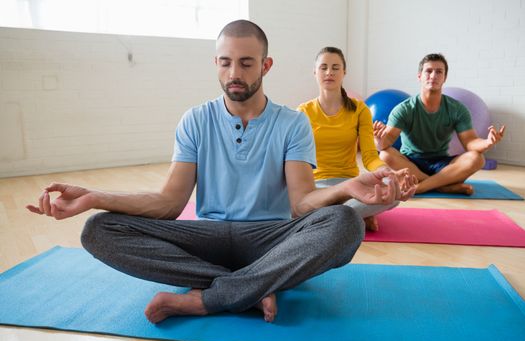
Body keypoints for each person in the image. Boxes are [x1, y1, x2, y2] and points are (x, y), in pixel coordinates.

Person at [26, 20, 416, 324]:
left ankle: (208, 296)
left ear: (265, 65)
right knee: (99, 229)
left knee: (345, 223)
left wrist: (347, 187)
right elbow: (169, 203)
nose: (235, 72)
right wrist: (95, 197)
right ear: (216, 63)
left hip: (271, 237)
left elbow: (301, 204)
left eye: (246, 63)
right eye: (226, 62)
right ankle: (251, 287)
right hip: (207, 236)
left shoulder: (292, 124)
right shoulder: (195, 120)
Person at [298, 47, 412, 231]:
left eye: (335, 67)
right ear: (315, 72)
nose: (329, 72)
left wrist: (388, 173)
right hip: (315, 185)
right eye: (323, 67)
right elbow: (297, 160)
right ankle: (355, 215)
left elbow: (369, 156)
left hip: (350, 184)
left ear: (344, 72)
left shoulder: (360, 110)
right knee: (297, 204)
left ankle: (336, 216)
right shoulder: (303, 112)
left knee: (392, 191)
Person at [373, 53, 505, 194]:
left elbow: (470, 142)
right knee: (385, 155)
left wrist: (487, 143)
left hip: (442, 164)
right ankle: (442, 185)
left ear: (444, 78)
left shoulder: (457, 109)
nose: (433, 75)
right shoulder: (404, 109)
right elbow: (385, 144)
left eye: (439, 72)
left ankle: (420, 187)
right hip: (411, 163)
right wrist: (378, 140)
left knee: (477, 159)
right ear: (420, 76)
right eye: (428, 71)